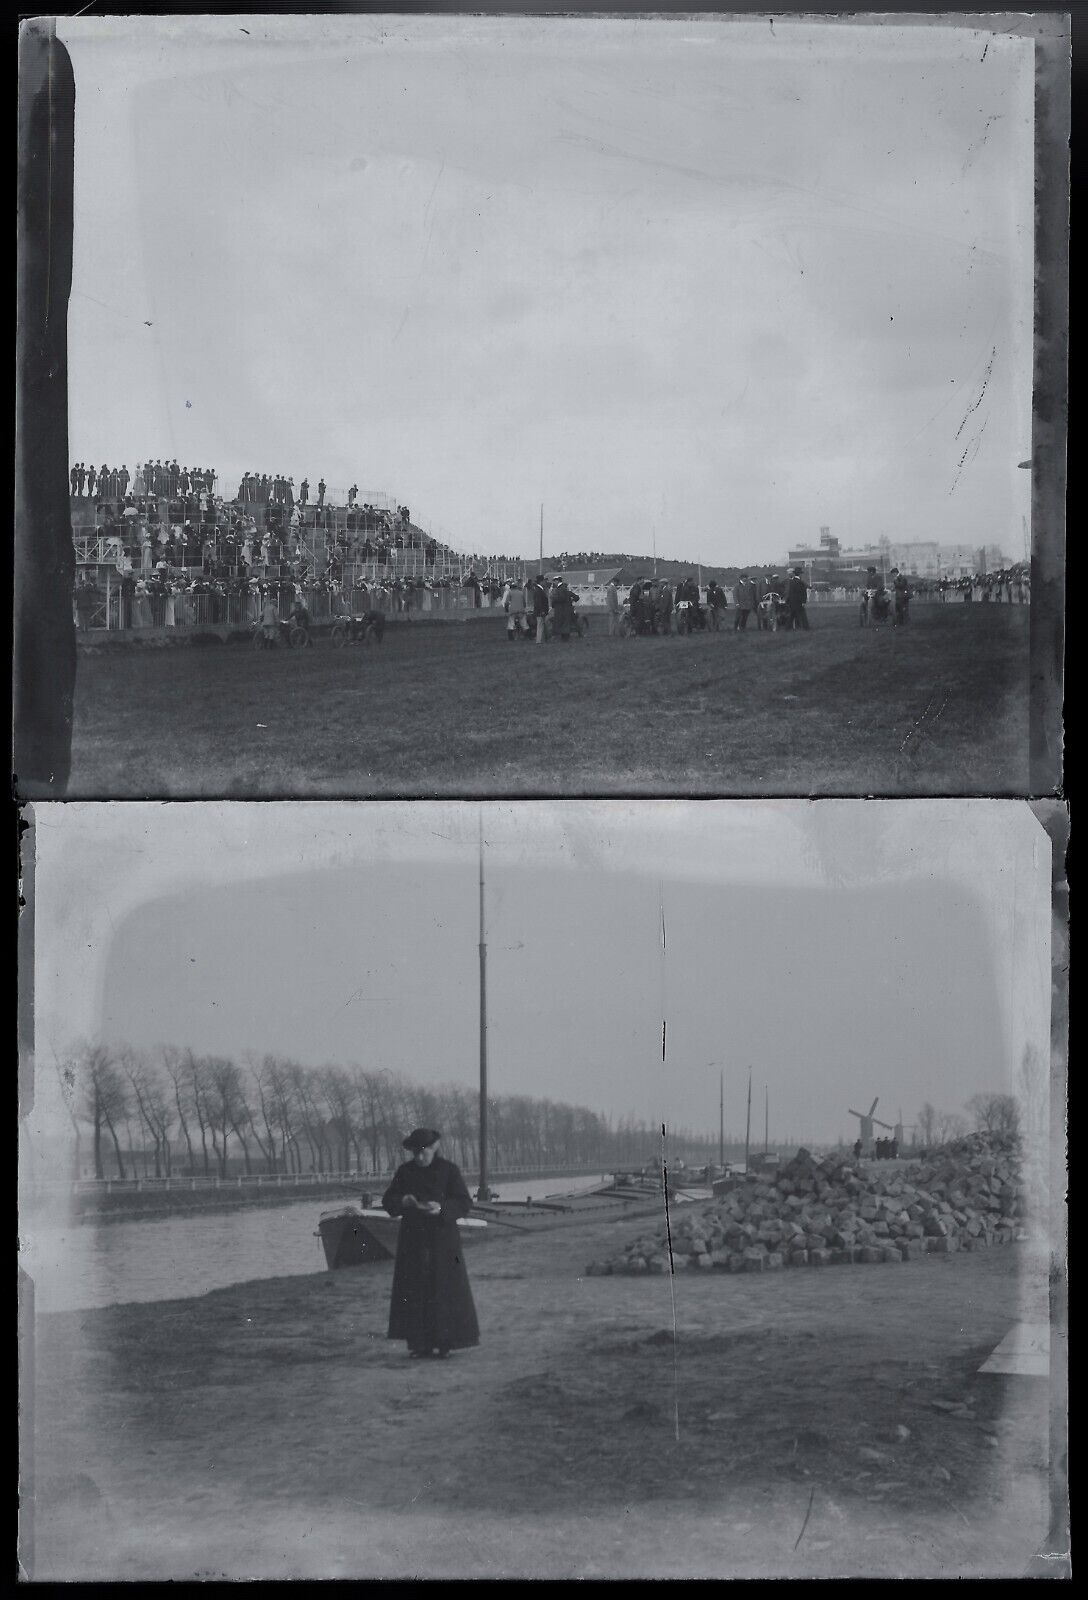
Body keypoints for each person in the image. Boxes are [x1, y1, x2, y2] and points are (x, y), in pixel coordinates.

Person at [382, 1129, 479, 1361]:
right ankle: (419, 1344)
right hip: (413, 1240)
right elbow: (388, 1200)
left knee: (443, 1289)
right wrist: (402, 1201)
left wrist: (442, 1208)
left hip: (442, 1240)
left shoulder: (449, 1170)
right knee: (415, 1290)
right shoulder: (405, 1172)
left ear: (434, 1148)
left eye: (423, 1152)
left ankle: (445, 1343)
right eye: (415, 1153)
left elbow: (464, 1202)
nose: (419, 1157)